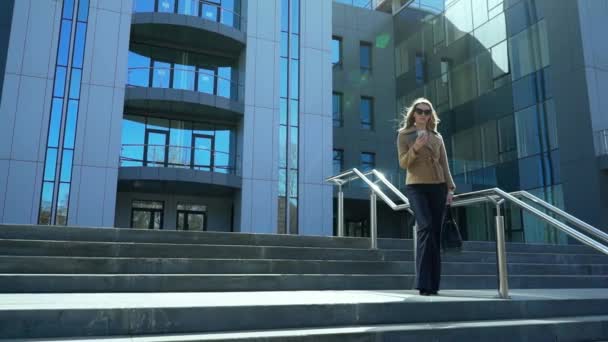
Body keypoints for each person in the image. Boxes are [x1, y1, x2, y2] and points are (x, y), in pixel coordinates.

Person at [397, 97, 456, 296]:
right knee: (426, 227)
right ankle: (423, 283)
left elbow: (445, 164)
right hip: (416, 186)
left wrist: (450, 189)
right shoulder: (404, 135)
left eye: (427, 112)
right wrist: (416, 148)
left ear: (431, 116)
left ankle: (434, 284)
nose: (423, 115)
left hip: (438, 186)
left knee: (435, 235)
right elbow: (404, 163)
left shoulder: (437, 137)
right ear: (413, 113)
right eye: (420, 111)